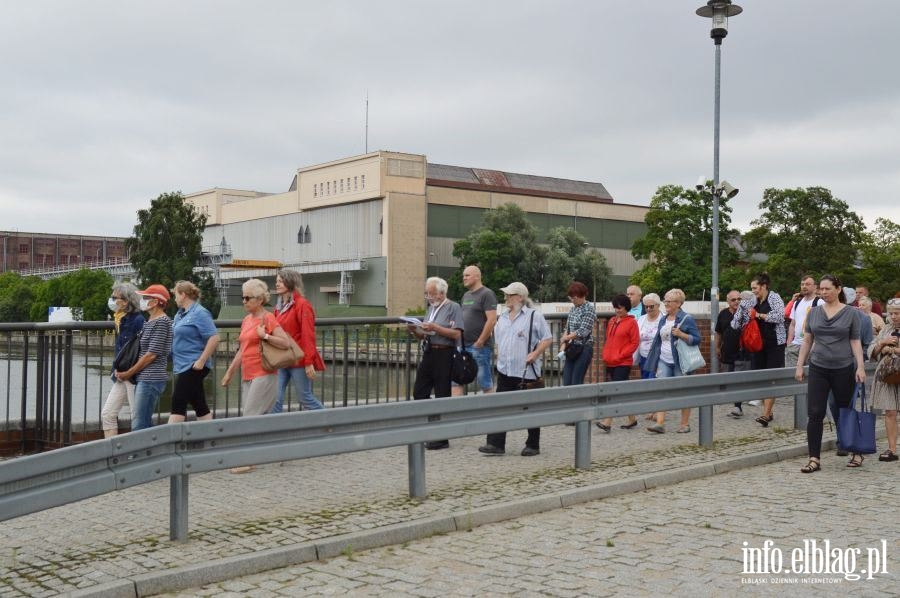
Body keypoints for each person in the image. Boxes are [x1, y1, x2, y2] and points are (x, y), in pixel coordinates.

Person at [795, 275, 866, 472]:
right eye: (821, 289)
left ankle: (855, 451)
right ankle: (814, 458)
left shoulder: (851, 313)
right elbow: (807, 340)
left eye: (827, 289)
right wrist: (800, 365)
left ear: (838, 289)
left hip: (843, 368)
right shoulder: (814, 312)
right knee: (815, 413)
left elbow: (855, 341)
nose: (824, 293)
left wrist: (860, 366)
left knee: (845, 411)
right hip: (818, 366)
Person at [478, 282, 552, 456]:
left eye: (510, 295)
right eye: (506, 295)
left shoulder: (534, 316)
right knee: (500, 407)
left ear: (520, 297)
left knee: (530, 408)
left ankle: (533, 445)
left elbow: (547, 338)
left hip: (526, 371)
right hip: (505, 370)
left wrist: (535, 353)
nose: (506, 299)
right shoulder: (502, 318)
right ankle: (496, 444)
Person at [408, 276, 463, 450]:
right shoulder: (431, 308)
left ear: (441, 293)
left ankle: (441, 437)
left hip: (445, 353)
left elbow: (456, 334)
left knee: (442, 393)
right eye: (427, 294)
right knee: (419, 391)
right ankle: (431, 424)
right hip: (429, 351)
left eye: (430, 294)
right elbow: (425, 333)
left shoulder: (453, 307)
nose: (428, 297)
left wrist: (435, 328)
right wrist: (415, 330)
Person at [114, 284, 173, 432]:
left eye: (146, 298)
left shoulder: (161, 322)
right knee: (144, 423)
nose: (142, 300)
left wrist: (129, 373)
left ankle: (140, 454)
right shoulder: (150, 321)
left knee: (139, 424)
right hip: (145, 378)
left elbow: (151, 355)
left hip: (151, 379)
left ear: (156, 302)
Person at [732, 273, 786, 427]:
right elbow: (735, 324)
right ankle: (768, 411)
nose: (753, 291)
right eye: (751, 288)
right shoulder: (750, 302)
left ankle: (766, 414)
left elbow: (780, 316)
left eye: (755, 288)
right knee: (762, 378)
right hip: (757, 344)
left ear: (764, 286)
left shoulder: (774, 298)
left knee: (771, 378)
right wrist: (741, 310)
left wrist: (760, 315)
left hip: (775, 344)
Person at [644, 289, 701, 434]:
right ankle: (660, 423)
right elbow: (659, 341)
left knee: (683, 392)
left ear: (678, 303)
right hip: (664, 359)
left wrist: (681, 334)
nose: (666, 304)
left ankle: (684, 424)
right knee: (661, 390)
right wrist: (655, 362)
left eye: (669, 301)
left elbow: (697, 339)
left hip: (679, 362)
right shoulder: (664, 318)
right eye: (665, 300)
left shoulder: (686, 318)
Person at [271, 269, 326, 413]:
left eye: (280, 281)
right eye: (277, 281)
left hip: (298, 361)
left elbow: (308, 335)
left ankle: (330, 422)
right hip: (282, 359)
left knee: (304, 398)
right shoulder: (278, 307)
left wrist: (309, 363)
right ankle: (272, 431)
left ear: (290, 282)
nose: (276, 284)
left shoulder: (302, 305)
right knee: (275, 398)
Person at [168, 281, 218, 424]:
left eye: (176, 295)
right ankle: (209, 437)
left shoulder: (200, 313)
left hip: (194, 365)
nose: (175, 298)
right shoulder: (180, 314)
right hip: (182, 364)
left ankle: (170, 440)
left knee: (178, 401)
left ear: (183, 295)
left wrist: (202, 360)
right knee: (199, 403)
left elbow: (214, 338)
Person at [101, 283, 145, 437]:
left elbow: (143, 349)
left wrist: (130, 371)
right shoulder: (120, 319)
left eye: (115, 297)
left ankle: (137, 454)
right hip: (121, 373)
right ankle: (112, 453)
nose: (112, 300)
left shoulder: (138, 320)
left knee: (137, 416)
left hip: (132, 375)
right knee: (107, 414)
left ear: (126, 301)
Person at [451, 265, 498, 397]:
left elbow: (492, 320)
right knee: (456, 380)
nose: (464, 278)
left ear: (477, 276)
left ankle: (491, 413)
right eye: (463, 276)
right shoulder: (466, 295)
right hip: (463, 345)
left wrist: (480, 341)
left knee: (484, 381)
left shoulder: (487, 294)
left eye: (467, 275)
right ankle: (456, 413)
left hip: (479, 347)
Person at [597, 293, 639, 432]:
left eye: (619, 307)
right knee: (623, 392)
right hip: (611, 361)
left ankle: (607, 422)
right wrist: (607, 354)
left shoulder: (632, 322)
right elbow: (609, 340)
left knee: (614, 391)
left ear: (626, 307)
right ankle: (632, 419)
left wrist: (621, 354)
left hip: (623, 362)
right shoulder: (612, 321)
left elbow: (634, 342)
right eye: (615, 307)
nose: (617, 310)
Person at [869, 298, 900, 462]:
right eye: (891, 313)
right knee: (890, 412)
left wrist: (894, 349)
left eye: (897, 313)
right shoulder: (886, 329)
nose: (893, 317)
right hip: (888, 375)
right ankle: (892, 449)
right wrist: (883, 343)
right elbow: (872, 350)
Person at [716, 289, 751, 418]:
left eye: (739, 299)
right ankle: (736, 404)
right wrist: (717, 347)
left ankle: (738, 406)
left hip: (742, 352)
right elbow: (719, 332)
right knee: (730, 379)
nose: (737, 301)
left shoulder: (745, 314)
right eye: (733, 300)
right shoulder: (723, 314)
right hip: (727, 351)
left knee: (738, 380)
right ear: (728, 302)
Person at [560, 281, 596, 388]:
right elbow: (568, 327)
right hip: (572, 348)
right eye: (571, 297)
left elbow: (583, 331)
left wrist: (567, 337)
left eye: (573, 297)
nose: (572, 300)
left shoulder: (589, 309)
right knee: (567, 380)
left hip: (584, 347)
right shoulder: (573, 309)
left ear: (580, 296)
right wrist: (564, 342)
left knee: (576, 380)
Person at [636, 293, 662, 380]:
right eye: (646, 307)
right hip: (643, 356)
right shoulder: (641, 319)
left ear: (658, 305)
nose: (648, 309)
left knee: (652, 380)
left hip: (658, 356)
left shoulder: (664, 318)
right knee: (645, 379)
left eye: (651, 306)